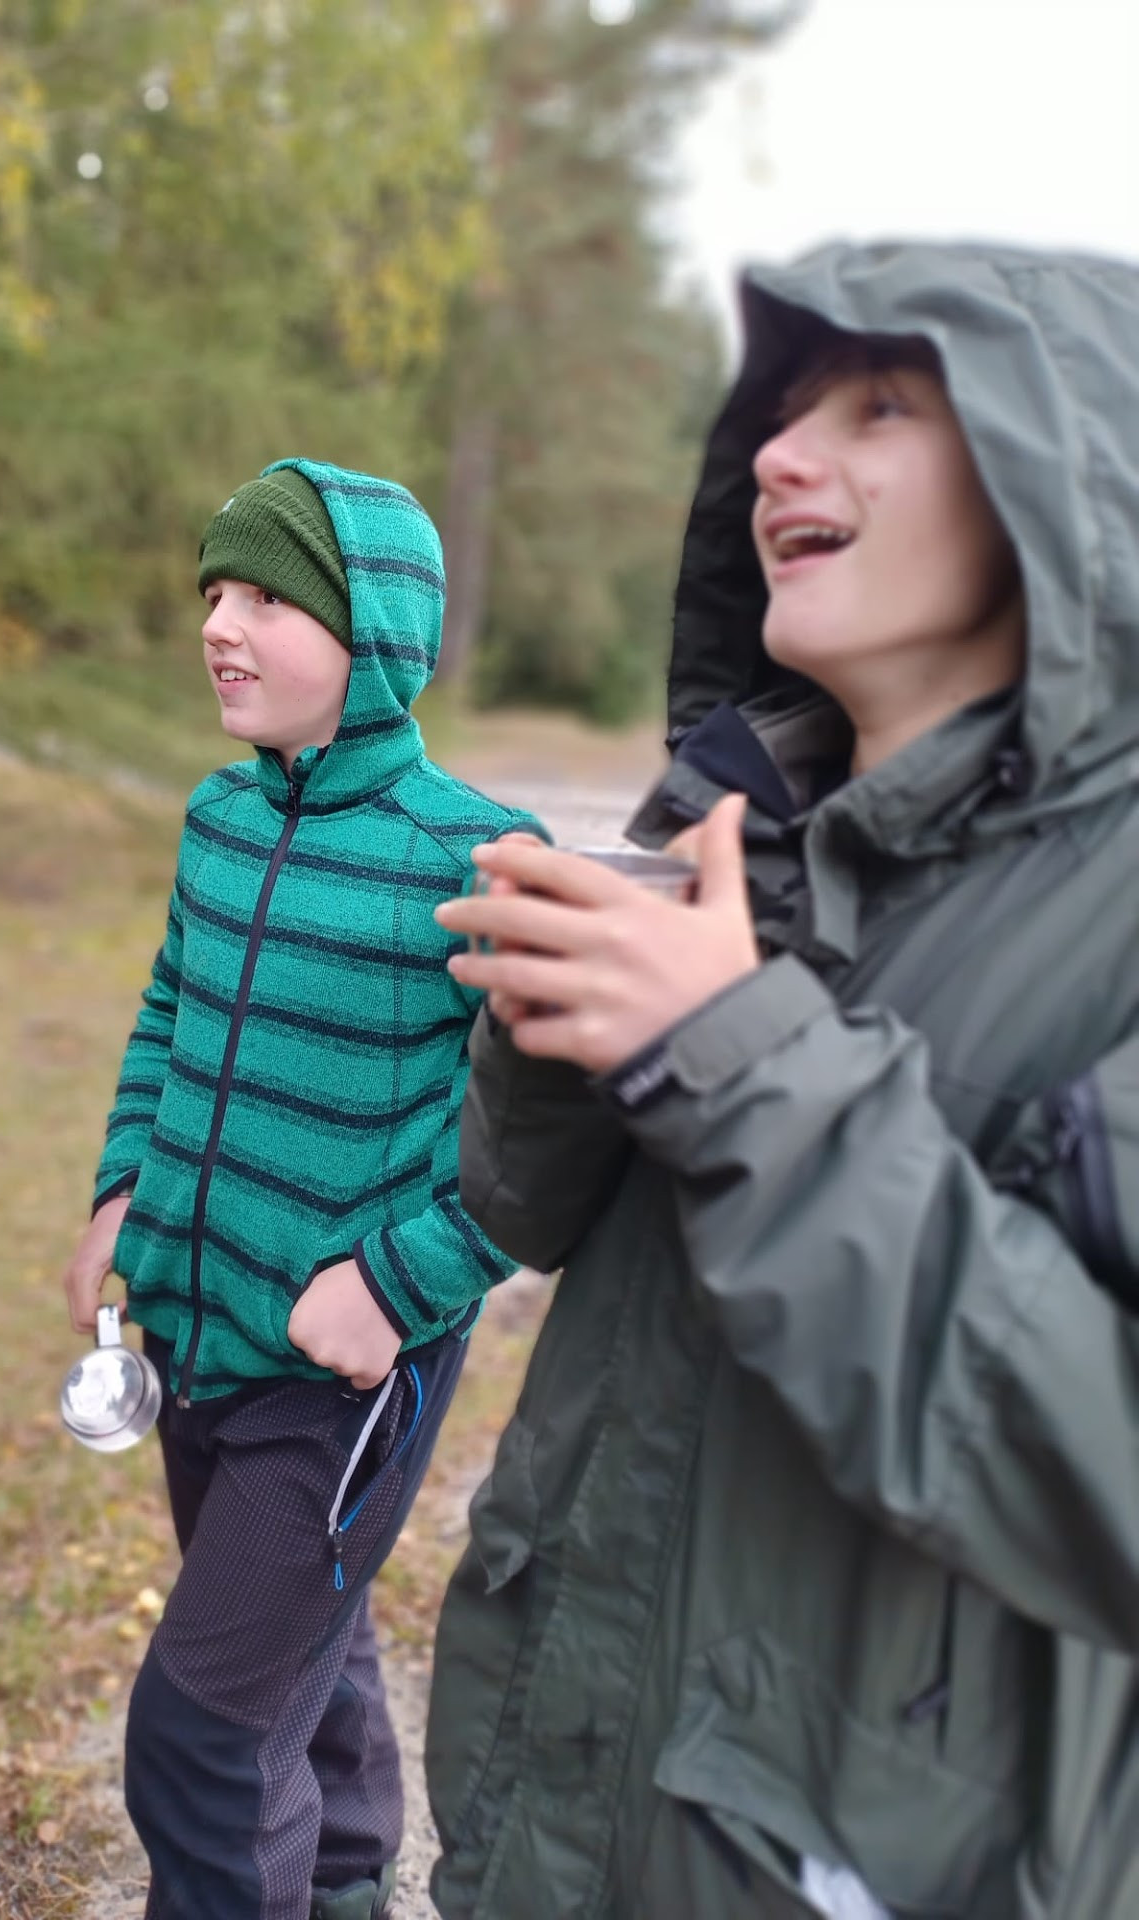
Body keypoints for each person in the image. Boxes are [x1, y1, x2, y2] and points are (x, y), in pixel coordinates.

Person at [426, 240, 1139, 1919]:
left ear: (1065, 484)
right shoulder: (744, 832)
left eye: (880, 406)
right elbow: (516, 1212)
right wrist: (564, 1026)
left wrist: (738, 1063)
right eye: (782, 417)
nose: (778, 459)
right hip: (559, 1823)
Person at [61, 459, 542, 1920]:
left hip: (339, 1380)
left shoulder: (472, 857)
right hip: (195, 1336)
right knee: (295, 1650)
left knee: (201, 1740)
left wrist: (396, 1284)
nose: (220, 624)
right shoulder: (218, 818)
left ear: (372, 633)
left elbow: (551, 1127)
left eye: (267, 598)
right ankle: (340, 1882)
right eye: (214, 592)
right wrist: (122, 1186)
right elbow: (170, 1007)